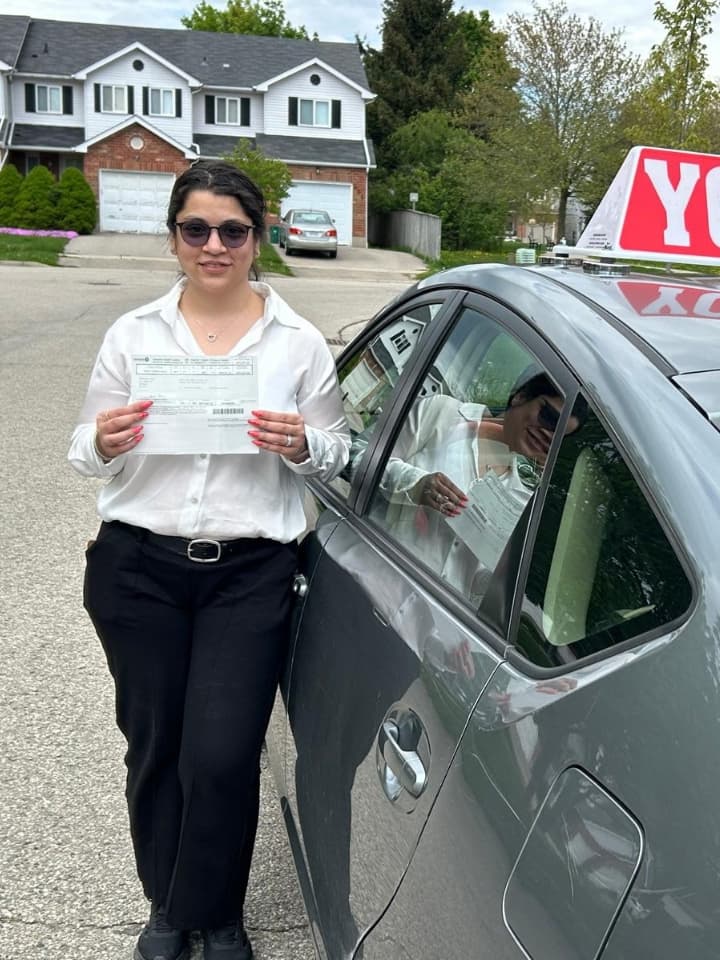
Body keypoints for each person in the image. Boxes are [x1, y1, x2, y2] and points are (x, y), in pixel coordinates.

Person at [68, 160, 349, 960]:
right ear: (174, 239)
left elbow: (336, 452)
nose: (214, 244)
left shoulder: (294, 342)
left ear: (258, 239)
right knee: (156, 744)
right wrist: (104, 441)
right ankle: (169, 909)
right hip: (138, 567)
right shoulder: (134, 335)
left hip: (249, 572)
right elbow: (82, 447)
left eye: (232, 229)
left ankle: (215, 909)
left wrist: (302, 444)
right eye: (197, 229)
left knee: (222, 753)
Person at [371, 369, 585, 604]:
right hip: (369, 582)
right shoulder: (444, 414)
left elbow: (476, 585)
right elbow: (364, 461)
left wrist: (502, 571)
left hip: (424, 626)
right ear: (521, 396)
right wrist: (415, 485)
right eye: (549, 417)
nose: (548, 435)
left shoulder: (521, 500)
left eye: (559, 436)